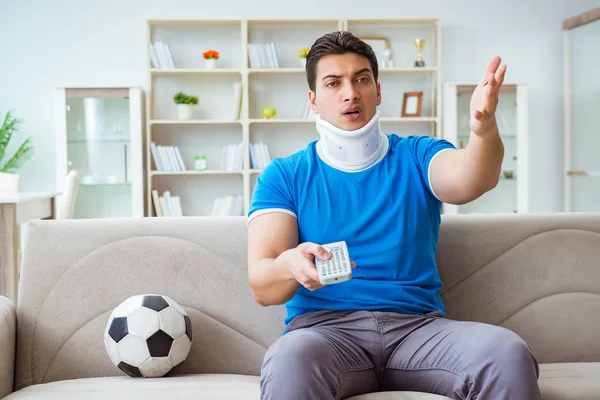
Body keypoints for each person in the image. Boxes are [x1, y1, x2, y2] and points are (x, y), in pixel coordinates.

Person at [246, 30, 540, 400]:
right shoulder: (285, 175)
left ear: (378, 91)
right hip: (324, 335)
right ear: (314, 100)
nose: (350, 93)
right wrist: (290, 263)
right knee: (290, 358)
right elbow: (261, 284)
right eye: (334, 83)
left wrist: (482, 128)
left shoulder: (417, 155)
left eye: (362, 79)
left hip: (418, 331)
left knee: (506, 352)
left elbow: (472, 179)